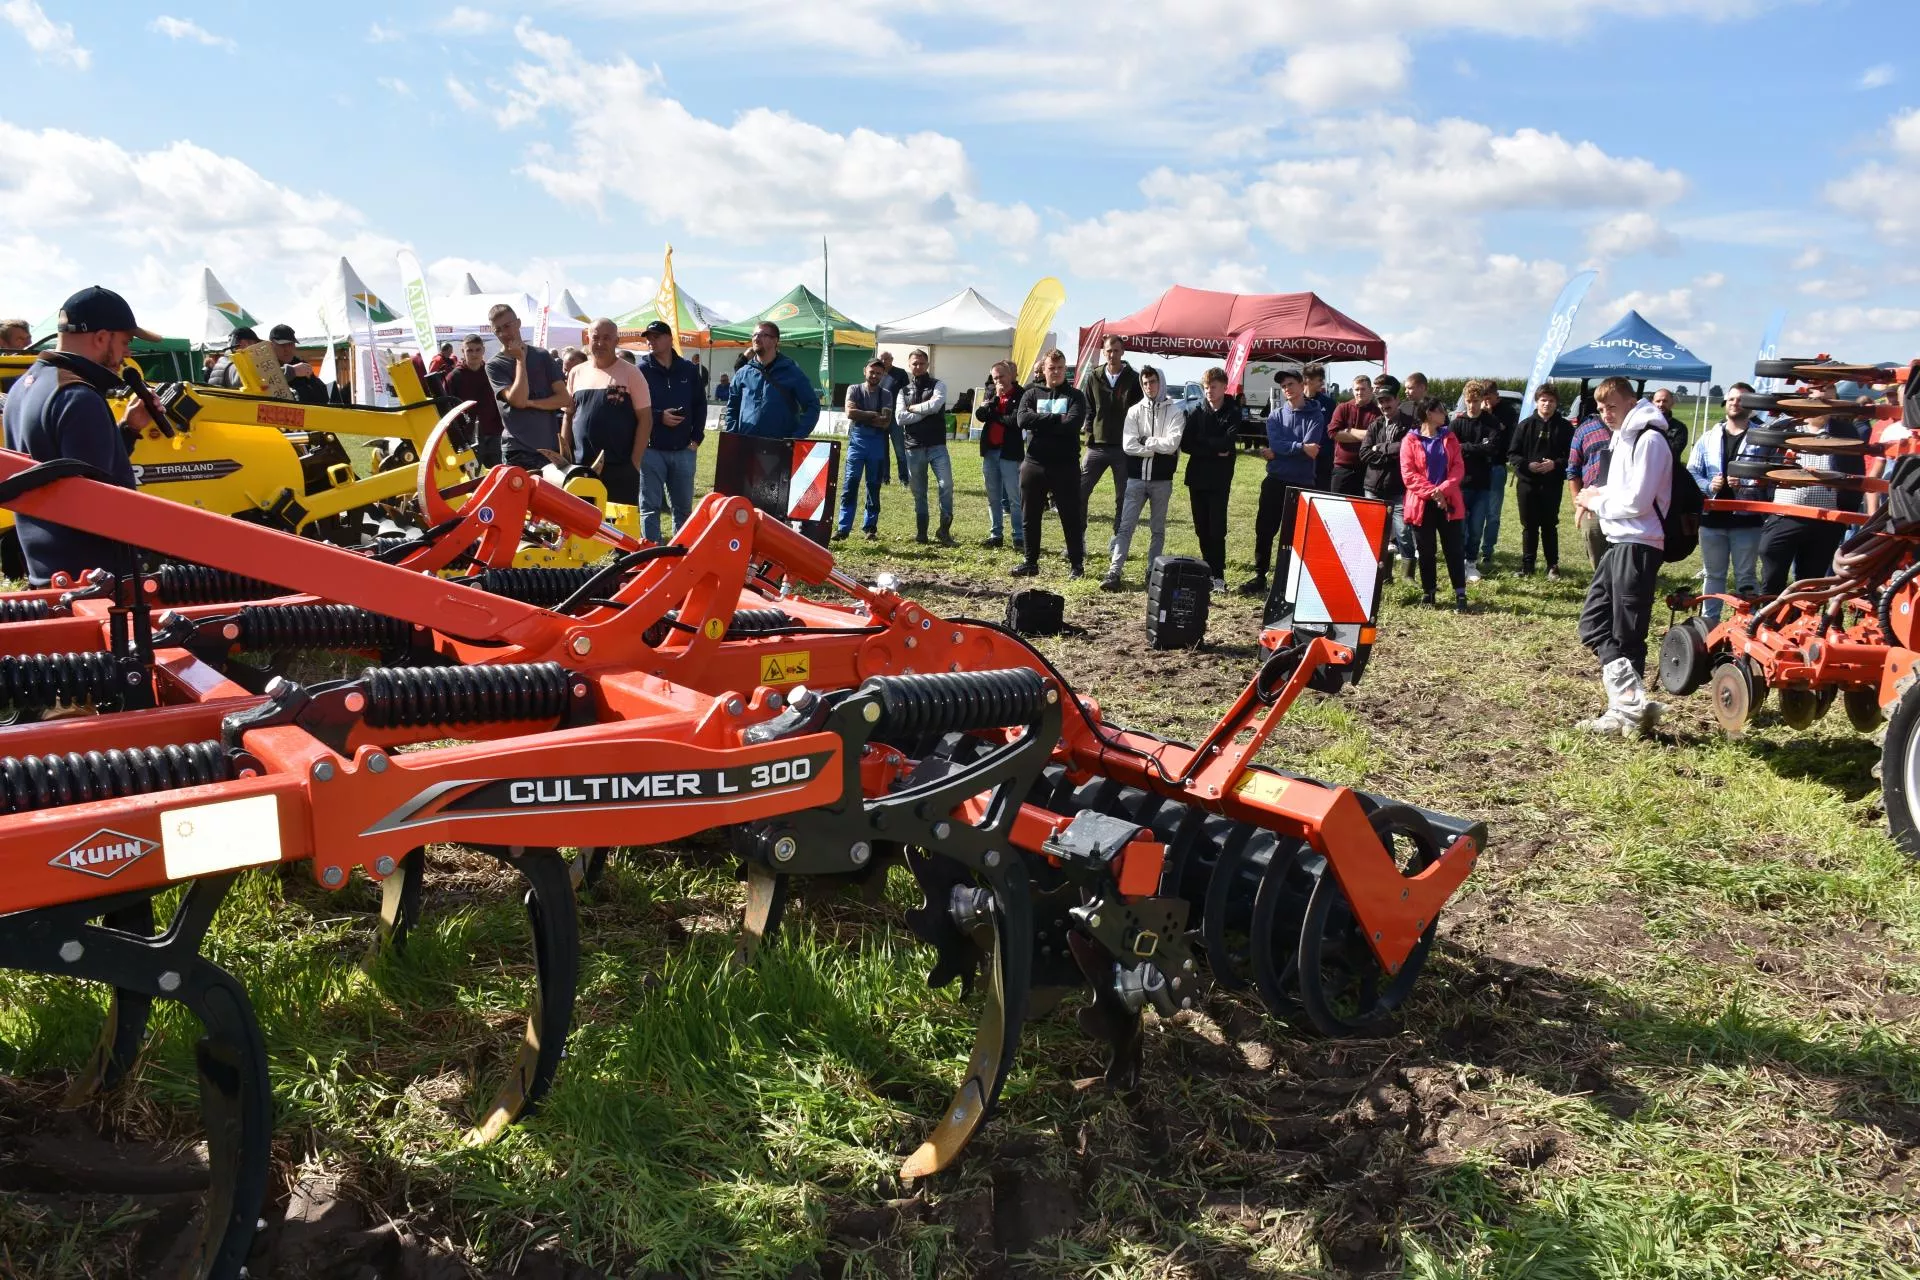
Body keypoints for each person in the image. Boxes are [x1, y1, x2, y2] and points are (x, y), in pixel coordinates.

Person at [3, 286, 157, 586]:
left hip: (51, 572)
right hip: (93, 580)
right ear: (101, 337)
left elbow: (65, 473)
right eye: (125, 341)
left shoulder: (25, 387)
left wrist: (127, 430)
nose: (127, 353)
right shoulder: (78, 396)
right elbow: (95, 503)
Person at [1572, 377, 1672, 738]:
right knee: (1594, 622)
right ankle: (1629, 705)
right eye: (1600, 408)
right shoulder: (1624, 437)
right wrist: (1591, 494)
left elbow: (1637, 501)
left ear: (1632, 401)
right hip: (1619, 542)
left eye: (1612, 406)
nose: (1605, 413)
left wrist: (1595, 502)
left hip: (1640, 543)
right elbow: (1620, 488)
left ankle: (1627, 713)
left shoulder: (1650, 440)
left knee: (1628, 632)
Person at [1687, 382, 1769, 622]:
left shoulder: (1761, 437)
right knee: (1713, 575)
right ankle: (1709, 623)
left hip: (1747, 519)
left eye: (1741, 399)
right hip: (1712, 518)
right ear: (1726, 402)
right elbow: (1692, 471)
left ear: (1751, 406)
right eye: (1732, 399)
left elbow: (1770, 476)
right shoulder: (1709, 437)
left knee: (1745, 576)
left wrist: (1746, 484)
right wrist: (1707, 485)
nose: (1735, 403)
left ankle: (1747, 624)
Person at [1241, 368, 1326, 597]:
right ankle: (1260, 575)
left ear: (1301, 385)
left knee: (1297, 535)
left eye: (1290, 384)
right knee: (1265, 530)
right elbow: (1282, 445)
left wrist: (1282, 451)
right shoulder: (1275, 416)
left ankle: (1290, 579)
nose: (1287, 389)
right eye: (1283, 386)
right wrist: (1298, 447)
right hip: (1275, 480)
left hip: (1302, 483)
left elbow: (1313, 450)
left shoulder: (1316, 415)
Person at [1759, 382, 1849, 596]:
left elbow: (1854, 472)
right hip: (1786, 514)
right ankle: (1768, 618)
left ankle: (1801, 623)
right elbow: (1761, 459)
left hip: (1825, 519)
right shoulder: (1786, 427)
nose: (1825, 398)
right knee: (1772, 570)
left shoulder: (1844, 431)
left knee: (1811, 581)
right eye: (1820, 391)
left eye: (1830, 392)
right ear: (1806, 396)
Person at [1104, 365, 1184, 590]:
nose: (1149, 387)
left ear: (1162, 382)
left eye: (1153, 382)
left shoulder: (1175, 411)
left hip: (1162, 480)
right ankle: (1114, 571)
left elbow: (1172, 444)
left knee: (1157, 529)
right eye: (1145, 383)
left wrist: (1146, 440)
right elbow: (1128, 445)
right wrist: (1154, 447)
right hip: (1135, 478)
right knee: (1125, 526)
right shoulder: (1134, 411)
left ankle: (1152, 571)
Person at [1013, 349, 1088, 578]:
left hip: (1065, 466)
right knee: (1030, 514)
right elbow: (1022, 420)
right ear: (1043, 369)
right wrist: (1056, 419)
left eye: (1060, 368)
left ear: (1065, 369)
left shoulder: (1076, 396)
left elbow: (1072, 425)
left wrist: (1041, 422)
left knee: (1070, 516)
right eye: (1051, 368)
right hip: (1034, 464)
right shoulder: (1031, 393)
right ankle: (1030, 562)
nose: (1056, 372)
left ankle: (1076, 565)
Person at [565, 318, 651, 505]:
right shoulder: (576, 373)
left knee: (615, 530)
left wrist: (634, 463)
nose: (600, 343)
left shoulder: (632, 373)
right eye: (595, 338)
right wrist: (565, 458)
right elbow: (568, 415)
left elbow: (645, 419)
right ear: (588, 339)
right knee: (580, 528)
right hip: (581, 469)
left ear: (616, 341)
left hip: (619, 469)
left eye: (607, 338)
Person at [636, 319, 707, 543]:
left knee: (683, 509)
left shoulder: (689, 369)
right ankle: (649, 556)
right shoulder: (641, 371)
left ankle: (681, 554)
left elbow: (700, 405)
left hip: (684, 449)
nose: (650, 341)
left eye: (656, 337)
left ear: (669, 339)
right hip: (651, 450)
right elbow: (634, 407)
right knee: (649, 507)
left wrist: (696, 438)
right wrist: (659, 416)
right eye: (648, 338)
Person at [1401, 396, 1468, 610]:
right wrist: (1433, 492)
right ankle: (1429, 593)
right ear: (1429, 414)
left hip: (1448, 503)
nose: (1445, 414)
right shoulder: (1410, 440)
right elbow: (1409, 474)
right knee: (1426, 550)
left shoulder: (1450, 437)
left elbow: (1458, 468)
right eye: (1441, 410)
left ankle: (1460, 593)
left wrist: (1443, 490)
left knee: (1454, 549)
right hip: (1422, 504)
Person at [486, 303, 570, 470]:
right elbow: (518, 400)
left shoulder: (541, 355)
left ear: (518, 323)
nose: (504, 333)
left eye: (507, 326)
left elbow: (563, 398)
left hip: (549, 450)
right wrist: (520, 360)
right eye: (498, 330)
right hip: (518, 450)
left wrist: (531, 404)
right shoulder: (494, 365)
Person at [1181, 367, 1239, 591]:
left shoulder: (1233, 411)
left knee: (1217, 528)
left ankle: (1219, 575)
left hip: (1220, 480)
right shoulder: (1196, 411)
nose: (1209, 391)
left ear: (1224, 387)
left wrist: (1203, 443)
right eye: (1206, 387)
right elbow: (1186, 444)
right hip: (1196, 478)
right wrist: (1213, 449)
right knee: (1201, 528)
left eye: (1213, 387)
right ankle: (1207, 570)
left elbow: (1228, 442)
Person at [1508, 385, 1573, 578]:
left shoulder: (1564, 427)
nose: (1547, 404)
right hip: (1528, 483)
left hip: (1551, 484)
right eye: (1543, 400)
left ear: (1556, 403)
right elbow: (1512, 454)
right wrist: (1527, 465)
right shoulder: (1525, 425)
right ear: (1537, 402)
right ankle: (1528, 565)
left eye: (1551, 400)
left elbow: (1572, 455)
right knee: (1529, 525)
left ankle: (1552, 565)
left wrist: (1555, 464)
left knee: (1549, 525)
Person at [1081, 334, 1141, 534]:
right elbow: (1088, 408)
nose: (1112, 355)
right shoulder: (1094, 376)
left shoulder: (1134, 379)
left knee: (1123, 496)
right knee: (1080, 490)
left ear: (1122, 352)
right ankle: (1078, 537)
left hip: (1123, 447)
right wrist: (1089, 434)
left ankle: (1119, 539)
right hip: (1097, 445)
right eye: (1108, 350)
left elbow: (1138, 412)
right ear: (1104, 352)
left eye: (1116, 351)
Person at [893, 350, 952, 544]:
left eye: (921, 363)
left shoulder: (938, 385)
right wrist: (924, 413)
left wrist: (913, 409)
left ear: (927, 365)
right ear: (909, 366)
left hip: (937, 446)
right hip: (913, 447)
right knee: (919, 492)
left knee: (946, 485)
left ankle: (944, 530)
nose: (918, 367)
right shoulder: (904, 391)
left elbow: (935, 406)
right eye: (914, 364)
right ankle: (922, 533)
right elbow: (900, 418)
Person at [1361, 376, 1417, 578]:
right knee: (1376, 533)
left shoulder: (1410, 424)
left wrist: (1381, 448)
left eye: (1388, 400)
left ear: (1397, 400)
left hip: (1399, 488)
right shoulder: (1375, 425)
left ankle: (1408, 575)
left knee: (1403, 533)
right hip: (1373, 488)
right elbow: (1364, 453)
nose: (1385, 405)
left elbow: (1407, 448)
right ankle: (1382, 575)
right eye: (1381, 401)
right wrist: (1390, 455)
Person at [725, 321, 821, 439]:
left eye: (762, 335)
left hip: (779, 447)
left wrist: (797, 436)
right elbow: (732, 408)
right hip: (746, 444)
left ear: (775, 341)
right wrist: (732, 436)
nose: (756, 338)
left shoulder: (792, 372)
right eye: (754, 335)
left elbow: (812, 405)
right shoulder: (743, 373)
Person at [1453, 380, 1508, 582]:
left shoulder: (1491, 422)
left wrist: (1465, 447)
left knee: (1476, 527)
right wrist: (1478, 447)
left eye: (1476, 401)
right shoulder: (1457, 423)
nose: (1472, 405)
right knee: (1460, 527)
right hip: (1460, 484)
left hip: (1483, 483)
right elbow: (1451, 449)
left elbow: (1492, 448)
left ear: (1482, 400)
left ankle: (1471, 563)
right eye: (1469, 401)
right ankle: (1459, 562)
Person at [837, 358, 894, 541]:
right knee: (850, 483)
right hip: (857, 441)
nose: (875, 375)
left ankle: (870, 527)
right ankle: (843, 528)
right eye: (872, 372)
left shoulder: (886, 394)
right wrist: (873, 415)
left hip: (877, 442)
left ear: (883, 375)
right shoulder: (854, 389)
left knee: (874, 485)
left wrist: (863, 415)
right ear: (865, 371)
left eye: (879, 373)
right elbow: (849, 413)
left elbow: (885, 422)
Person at [975, 359, 1024, 552]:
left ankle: (1018, 536)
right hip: (990, 451)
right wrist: (995, 400)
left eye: (1001, 376)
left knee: (1014, 497)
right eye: (995, 378)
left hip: (1010, 452)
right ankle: (996, 534)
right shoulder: (991, 393)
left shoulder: (1021, 395)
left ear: (1010, 375)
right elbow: (980, 415)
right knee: (993, 496)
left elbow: (1014, 421)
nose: (998, 381)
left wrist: (993, 413)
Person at [1567, 395, 1615, 571]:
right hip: (1592, 506)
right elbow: (1573, 469)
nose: (1607, 412)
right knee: (1597, 555)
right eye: (1603, 408)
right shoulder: (1585, 430)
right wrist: (1578, 503)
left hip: (1623, 504)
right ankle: (1602, 588)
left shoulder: (1633, 430)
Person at [445, 333, 505, 466]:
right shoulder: (453, 378)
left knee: (498, 474)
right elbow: (447, 411)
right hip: (468, 438)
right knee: (473, 480)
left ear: (483, 350)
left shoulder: (491, 373)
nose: (474, 354)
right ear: (463, 352)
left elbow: (501, 401)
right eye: (469, 350)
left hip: (494, 433)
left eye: (478, 350)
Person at [1327, 373, 1377, 496]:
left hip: (1366, 471)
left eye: (1363, 389)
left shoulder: (1377, 413)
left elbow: (1376, 437)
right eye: (1356, 389)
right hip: (1342, 469)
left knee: (1361, 512)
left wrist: (1349, 431)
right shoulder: (1343, 408)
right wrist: (1366, 435)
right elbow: (1333, 433)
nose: (1359, 392)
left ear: (1371, 390)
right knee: (1337, 510)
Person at [268, 324, 328, 405]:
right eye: (282, 345)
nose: (287, 349)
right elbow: (266, 383)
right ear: (271, 345)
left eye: (290, 344)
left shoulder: (302, 365)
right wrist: (292, 371)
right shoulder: (265, 366)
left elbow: (323, 398)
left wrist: (311, 379)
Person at [877, 350, 911, 481]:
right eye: (881, 359)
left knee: (900, 450)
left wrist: (906, 410)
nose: (884, 362)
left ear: (892, 359)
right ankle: (885, 478)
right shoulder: (877, 374)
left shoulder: (900, 373)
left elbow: (908, 392)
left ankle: (904, 478)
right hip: (881, 417)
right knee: (882, 449)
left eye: (886, 359)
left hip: (896, 416)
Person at [1304, 365, 1337, 491]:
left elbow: (1334, 428)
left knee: (1321, 493)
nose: (1322, 383)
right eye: (1319, 379)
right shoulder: (1296, 400)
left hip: (1323, 458)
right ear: (1308, 379)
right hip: (1302, 457)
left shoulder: (1329, 403)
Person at [1650, 387, 1689, 456]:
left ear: (1672, 403)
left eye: (1665, 401)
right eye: (1658, 401)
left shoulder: (1680, 428)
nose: (1661, 404)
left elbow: (1672, 453)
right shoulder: (1645, 425)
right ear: (1652, 403)